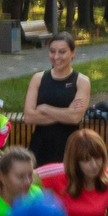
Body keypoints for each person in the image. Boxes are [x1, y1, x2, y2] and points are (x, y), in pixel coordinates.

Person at [19, 34, 89, 169]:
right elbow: (28, 117)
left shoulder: (81, 81)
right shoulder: (38, 78)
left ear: (73, 52)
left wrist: (44, 108)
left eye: (62, 52)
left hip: (69, 146)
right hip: (40, 145)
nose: (56, 57)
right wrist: (66, 113)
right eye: (52, 51)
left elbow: (75, 118)